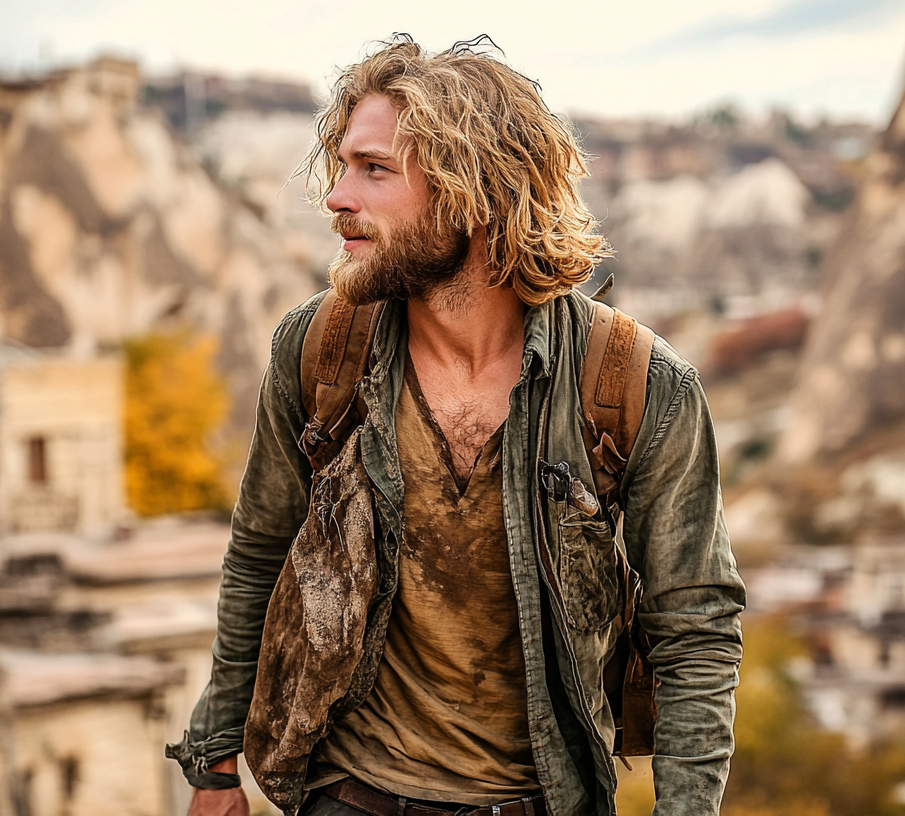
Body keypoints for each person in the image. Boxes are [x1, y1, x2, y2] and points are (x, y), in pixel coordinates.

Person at [168, 36, 744, 816]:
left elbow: (695, 629)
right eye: (342, 167)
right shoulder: (319, 351)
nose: (338, 197)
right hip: (348, 794)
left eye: (373, 170)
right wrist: (212, 765)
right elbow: (259, 557)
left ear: (471, 192)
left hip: (539, 799)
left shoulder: (636, 385)